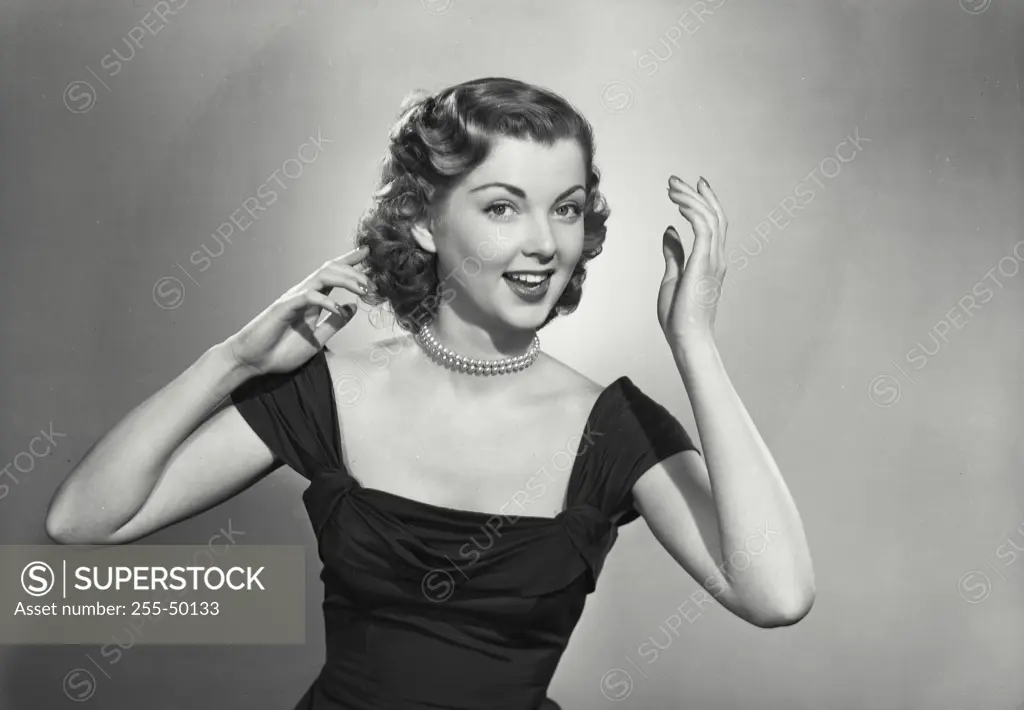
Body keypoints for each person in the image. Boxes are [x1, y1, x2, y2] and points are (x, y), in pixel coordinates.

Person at [46, 77, 815, 710]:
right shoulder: (328, 393)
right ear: (420, 220)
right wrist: (236, 360)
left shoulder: (612, 429)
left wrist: (695, 344)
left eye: (567, 207)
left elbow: (776, 595)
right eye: (502, 206)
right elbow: (83, 521)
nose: (545, 243)